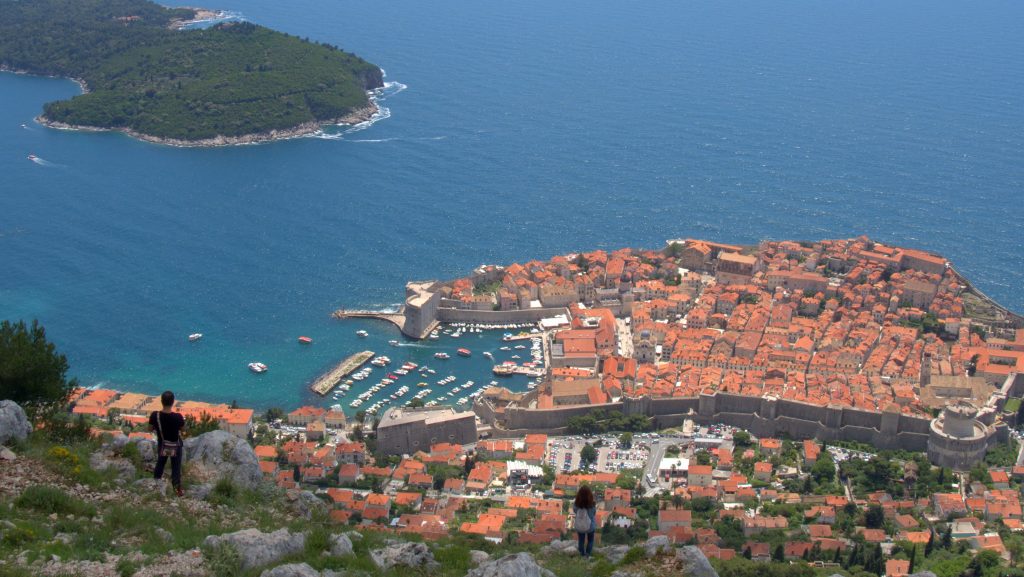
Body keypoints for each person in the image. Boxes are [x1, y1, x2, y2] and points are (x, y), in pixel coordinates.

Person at [149, 390, 186, 496]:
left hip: (163, 444)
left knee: (160, 464)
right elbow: (183, 430)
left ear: (161, 401)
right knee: (176, 467)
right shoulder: (178, 417)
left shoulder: (155, 415)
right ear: (173, 402)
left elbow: (150, 428)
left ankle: (156, 484)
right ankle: (177, 490)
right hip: (176, 445)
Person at [573, 484, 597, 557]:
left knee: (581, 540)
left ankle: (581, 554)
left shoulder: (576, 504)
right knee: (590, 540)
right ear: (590, 495)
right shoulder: (592, 505)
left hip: (580, 525)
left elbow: (575, 511)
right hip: (590, 526)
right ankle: (587, 555)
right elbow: (593, 514)